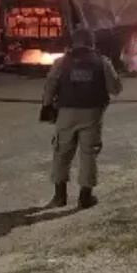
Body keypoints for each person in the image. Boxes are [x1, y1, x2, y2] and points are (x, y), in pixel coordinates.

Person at [41, 27, 123, 209]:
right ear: (91, 43)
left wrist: (47, 106)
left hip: (66, 113)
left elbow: (50, 87)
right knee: (88, 154)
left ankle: (59, 197)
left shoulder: (61, 63)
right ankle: (85, 198)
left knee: (61, 152)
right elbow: (115, 89)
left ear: (73, 43)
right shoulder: (103, 62)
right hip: (92, 114)